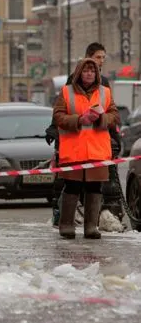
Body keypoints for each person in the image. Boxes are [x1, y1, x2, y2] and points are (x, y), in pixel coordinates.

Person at [45, 42, 121, 227]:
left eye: (92, 71)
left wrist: (101, 119)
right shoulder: (67, 91)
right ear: (79, 72)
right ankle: (66, 225)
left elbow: (114, 115)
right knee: (72, 188)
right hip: (75, 150)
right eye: (86, 71)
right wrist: (79, 120)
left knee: (94, 189)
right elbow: (58, 116)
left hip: (97, 150)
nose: (89, 74)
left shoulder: (105, 91)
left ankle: (91, 227)